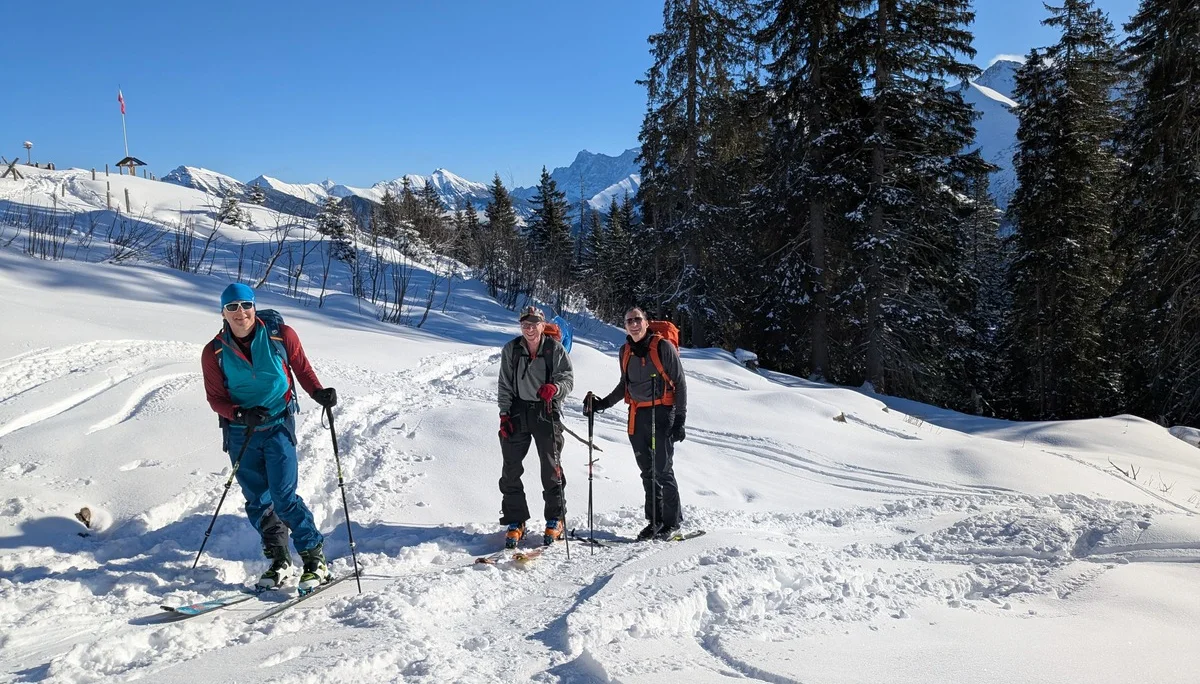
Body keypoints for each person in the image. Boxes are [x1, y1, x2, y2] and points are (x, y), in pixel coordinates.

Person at [201, 283, 338, 591]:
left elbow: (301, 369)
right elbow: (215, 398)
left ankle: (314, 558)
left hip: (277, 425)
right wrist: (239, 414)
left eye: (245, 305)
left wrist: (318, 392)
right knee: (258, 499)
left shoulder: (281, 335)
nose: (240, 313)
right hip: (240, 433)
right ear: (222, 312)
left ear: (254, 306)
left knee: (284, 496)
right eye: (232, 307)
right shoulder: (214, 352)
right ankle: (279, 559)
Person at [583, 307, 688, 540]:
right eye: (629, 320)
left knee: (663, 470)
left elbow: (680, 383)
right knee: (647, 472)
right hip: (637, 415)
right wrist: (603, 404)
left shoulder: (662, 347)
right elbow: (625, 385)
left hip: (662, 412)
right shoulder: (625, 351)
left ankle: (672, 522)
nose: (634, 324)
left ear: (646, 322)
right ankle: (655, 521)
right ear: (625, 325)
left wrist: (680, 418)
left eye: (637, 319)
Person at [496, 305, 575, 548]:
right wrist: (504, 414)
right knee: (510, 467)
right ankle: (515, 520)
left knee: (551, 468)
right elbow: (505, 383)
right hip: (518, 411)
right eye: (525, 325)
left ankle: (555, 518)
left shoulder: (554, 349)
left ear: (543, 326)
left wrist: (555, 389)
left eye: (534, 324)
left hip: (546, 411)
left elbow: (567, 378)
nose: (529, 329)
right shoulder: (512, 349)